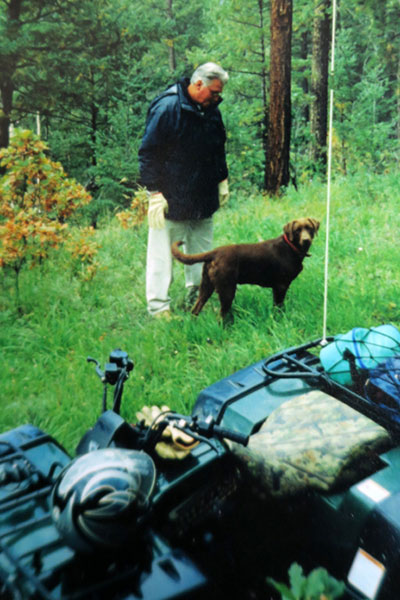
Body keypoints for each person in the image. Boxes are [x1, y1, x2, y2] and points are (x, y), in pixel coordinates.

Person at [139, 62, 230, 318]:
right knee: (161, 256)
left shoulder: (211, 111)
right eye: (214, 92)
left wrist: (222, 179)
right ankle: (158, 308)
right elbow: (148, 153)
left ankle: (198, 295)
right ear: (198, 83)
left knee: (202, 252)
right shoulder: (167, 108)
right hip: (170, 198)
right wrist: (154, 193)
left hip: (203, 197)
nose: (217, 98)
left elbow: (218, 147)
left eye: (219, 93)